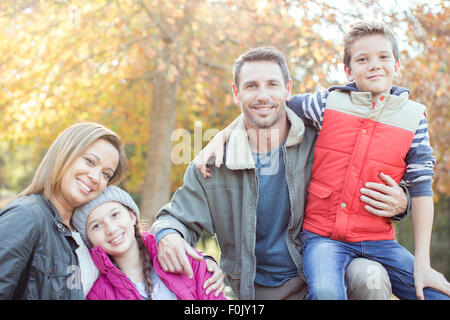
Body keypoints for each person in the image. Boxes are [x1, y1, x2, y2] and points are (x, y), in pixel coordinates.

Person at [199, 22, 450, 300]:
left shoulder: (414, 118)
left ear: (397, 64)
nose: (374, 65)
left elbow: (422, 186)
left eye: (383, 57)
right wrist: (223, 134)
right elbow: (268, 107)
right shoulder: (328, 104)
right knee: (328, 293)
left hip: (379, 241)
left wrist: (423, 263)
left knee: (435, 293)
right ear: (348, 69)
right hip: (323, 238)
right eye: (362, 59)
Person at [151, 47, 410, 300]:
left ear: (288, 90)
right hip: (254, 291)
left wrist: (403, 202)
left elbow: (374, 168)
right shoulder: (215, 162)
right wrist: (168, 235)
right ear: (236, 93)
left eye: (272, 85)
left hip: (330, 272)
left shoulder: (324, 140)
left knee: (370, 275)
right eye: (251, 86)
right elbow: (175, 218)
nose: (263, 96)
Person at [0, 122, 127, 299]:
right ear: (65, 154)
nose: (95, 177)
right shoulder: (27, 216)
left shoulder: (87, 235)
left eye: (106, 174)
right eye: (90, 161)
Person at [71, 186, 226, 300]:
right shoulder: (98, 294)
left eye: (115, 214)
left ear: (132, 216)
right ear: (89, 239)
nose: (110, 229)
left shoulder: (184, 259)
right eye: (96, 226)